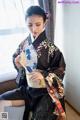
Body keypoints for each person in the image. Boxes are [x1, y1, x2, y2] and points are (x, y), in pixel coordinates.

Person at [0, 6, 66, 120]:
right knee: (2, 100)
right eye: (30, 25)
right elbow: (16, 58)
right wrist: (18, 65)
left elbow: (60, 70)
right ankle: (4, 118)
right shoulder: (24, 44)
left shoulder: (52, 49)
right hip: (27, 89)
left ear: (44, 23)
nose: (34, 29)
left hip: (45, 92)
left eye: (38, 24)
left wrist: (44, 75)